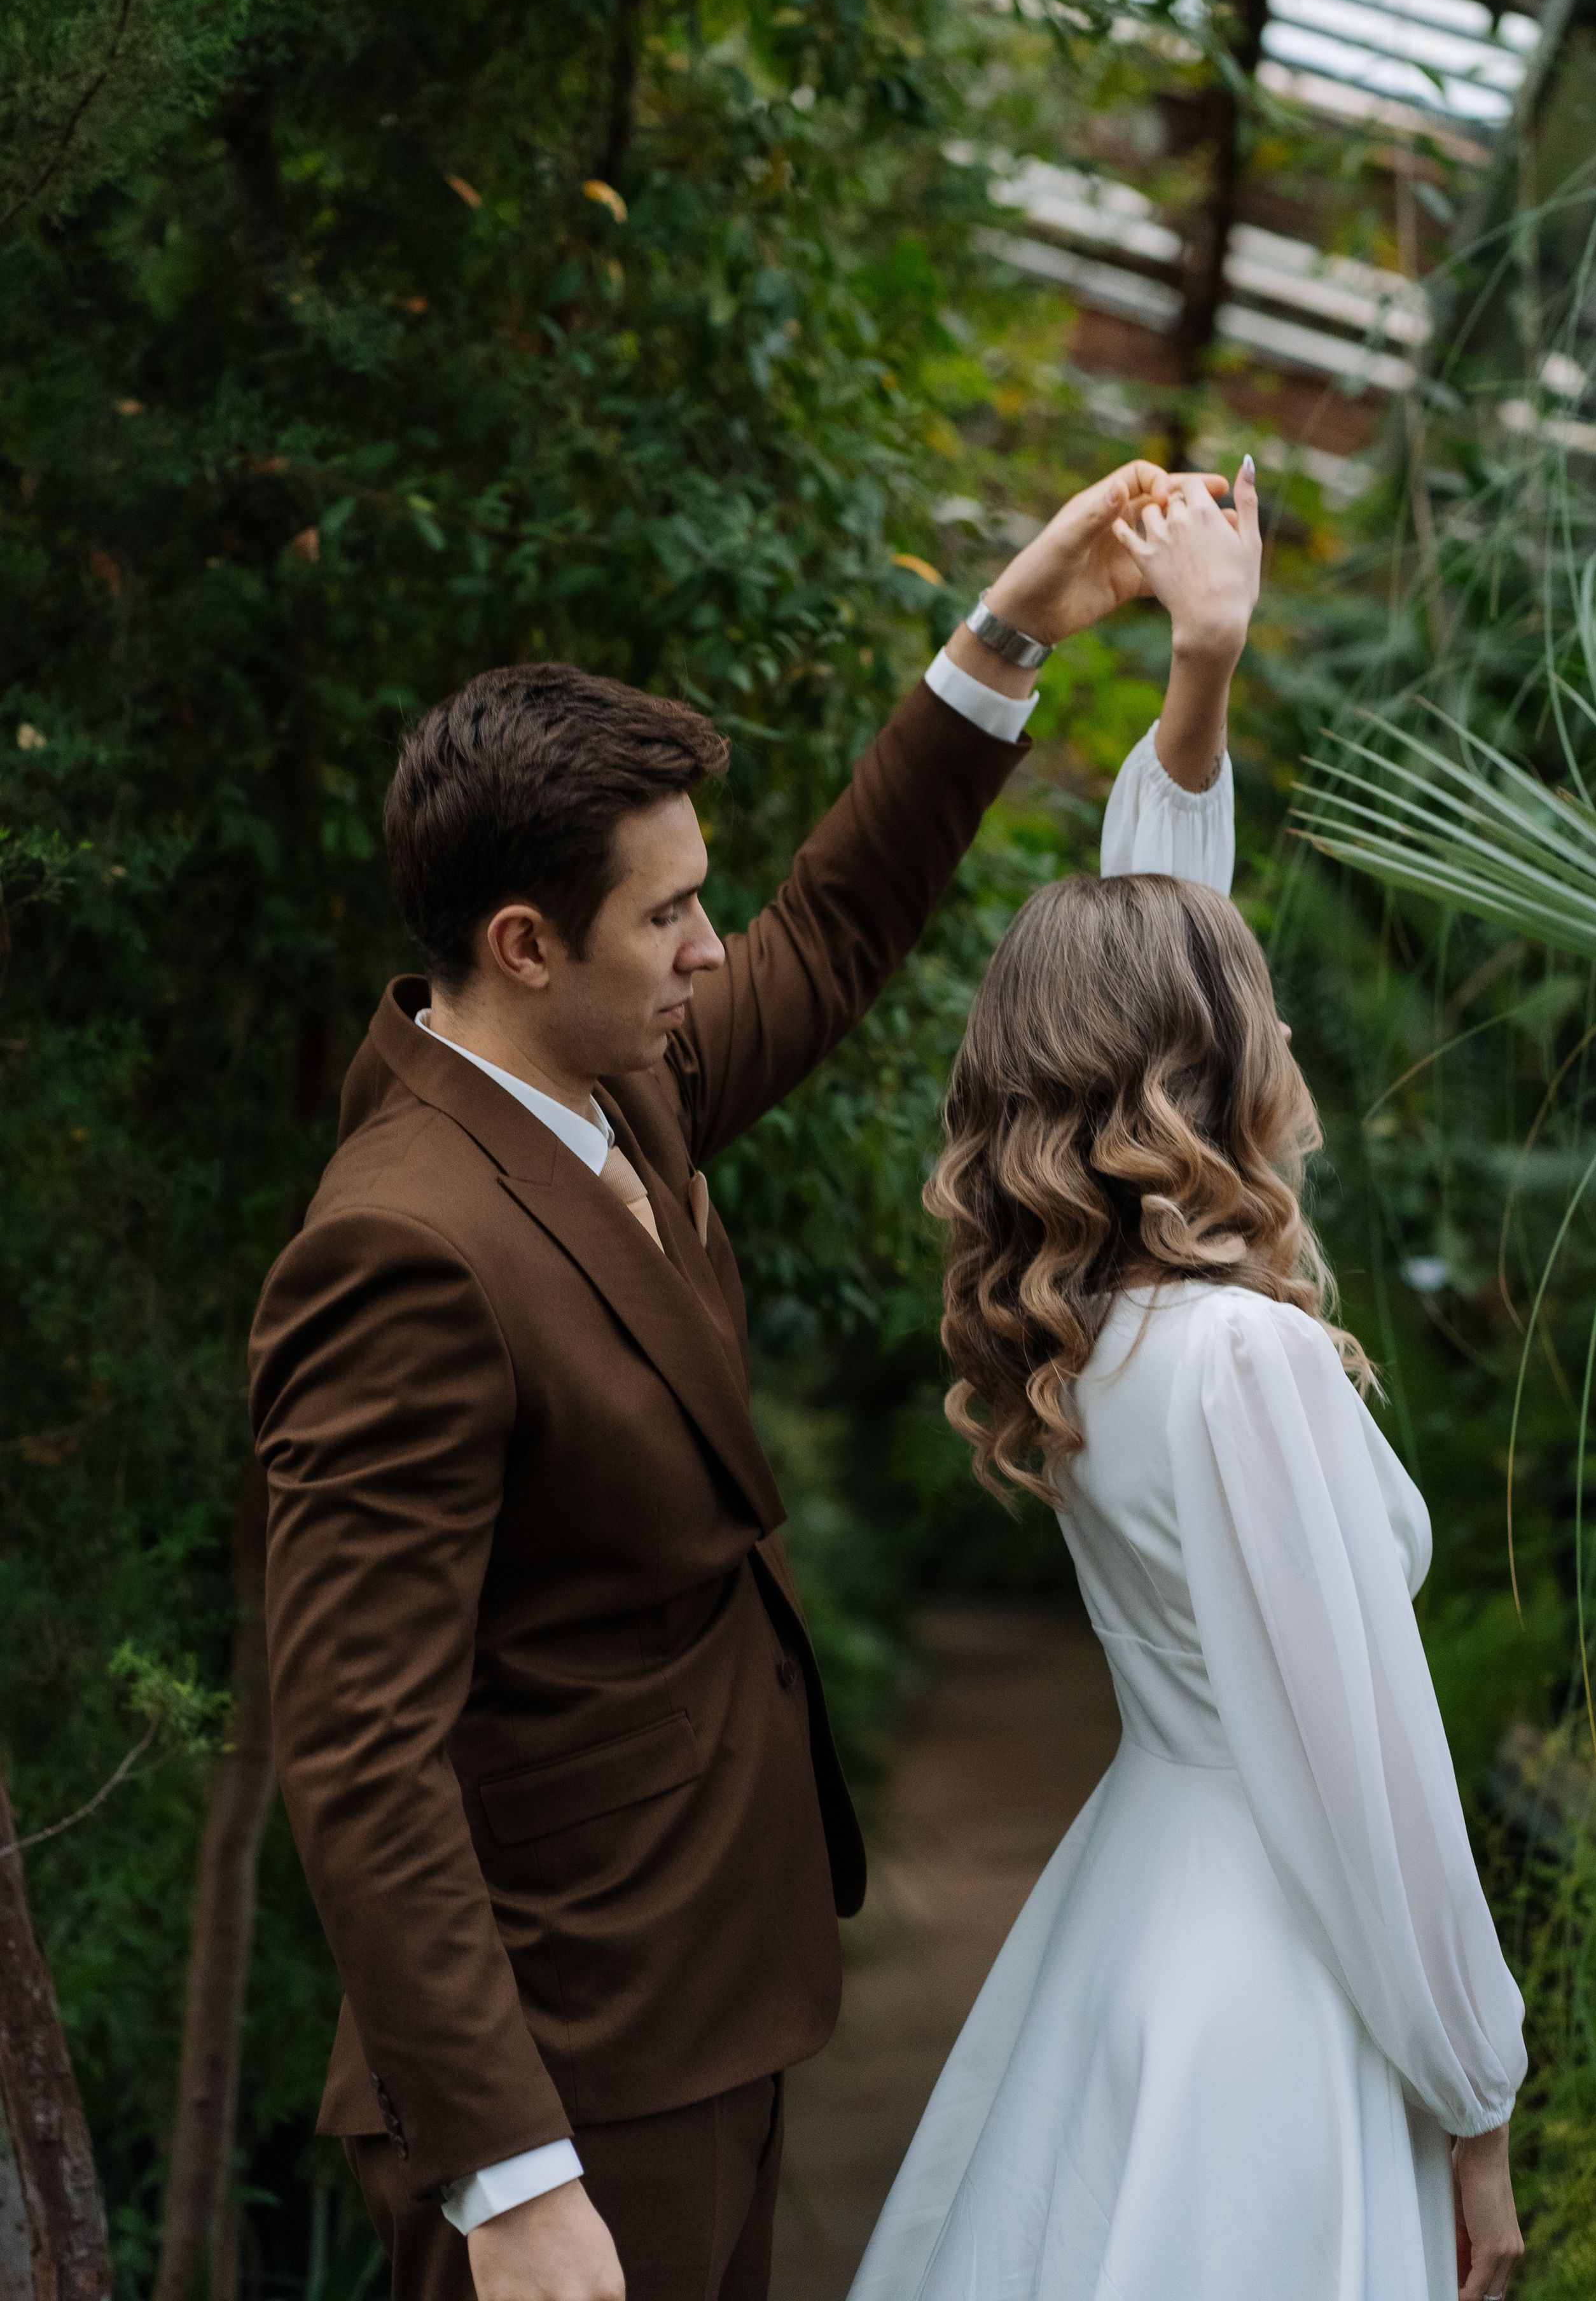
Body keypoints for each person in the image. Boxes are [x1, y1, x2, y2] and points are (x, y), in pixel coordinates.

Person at [247, 457, 1254, 2301]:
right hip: (571, 2065)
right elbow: (359, 1751)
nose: (715, 951)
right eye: (669, 921)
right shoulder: (401, 1248)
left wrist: (1008, 631)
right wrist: (513, 2172)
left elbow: (841, 926)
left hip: (703, 1999)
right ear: (522, 945)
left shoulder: (607, 1081)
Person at [845, 497, 1527, 2301]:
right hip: (1276, 1982)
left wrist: (1201, 667)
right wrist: (1482, 2100)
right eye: (1261, 1011)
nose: (1288, 1035)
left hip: (1145, 1907)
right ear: (1211, 1070)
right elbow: (1376, 1777)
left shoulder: (1110, 1327)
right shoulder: (1251, 1360)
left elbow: (1148, 947)